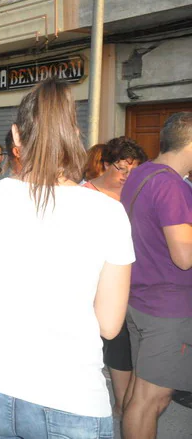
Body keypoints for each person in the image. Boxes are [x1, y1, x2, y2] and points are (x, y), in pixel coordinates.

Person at [0, 78, 134, 438]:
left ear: (16, 138)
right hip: (72, 400)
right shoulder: (108, 212)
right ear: (74, 134)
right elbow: (110, 325)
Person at [121, 112, 192, 439]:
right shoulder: (171, 185)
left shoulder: (143, 173)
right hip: (167, 308)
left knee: (141, 394)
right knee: (152, 399)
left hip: (142, 299)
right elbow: (184, 256)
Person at [81, 136, 147, 418]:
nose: (127, 176)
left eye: (134, 171)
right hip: (96, 296)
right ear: (105, 165)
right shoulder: (83, 196)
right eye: (122, 168)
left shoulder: (137, 196)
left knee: (137, 383)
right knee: (115, 382)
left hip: (137, 294)